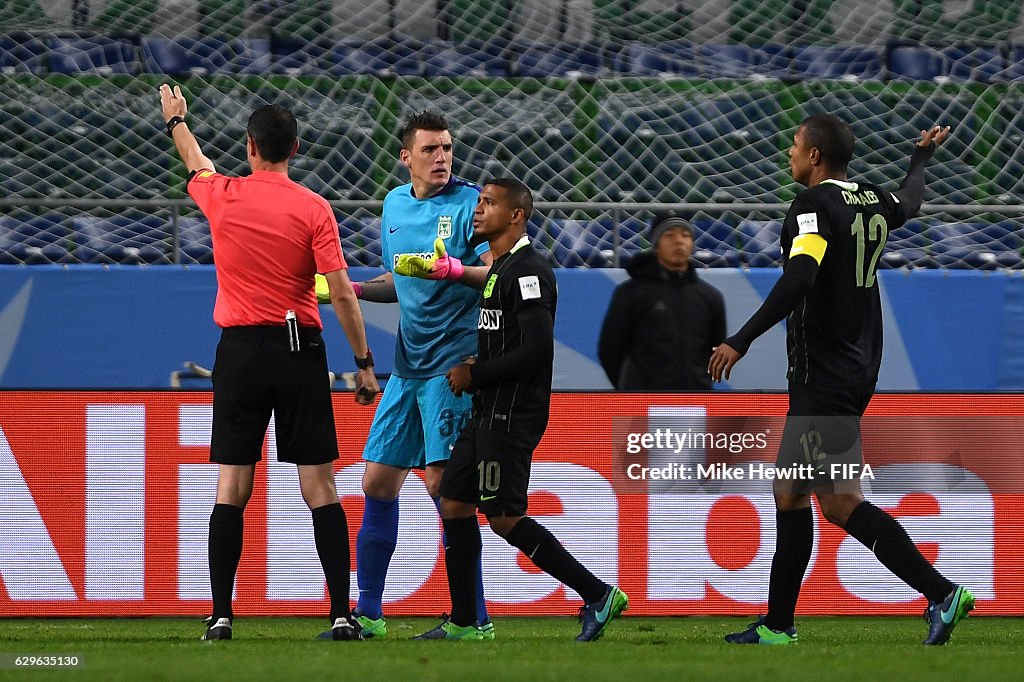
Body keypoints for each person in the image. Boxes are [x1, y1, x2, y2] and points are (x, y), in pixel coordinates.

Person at [708, 114, 972, 646]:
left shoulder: (812, 206)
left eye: (795, 144)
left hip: (823, 370)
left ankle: (934, 594)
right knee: (823, 497)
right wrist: (921, 159)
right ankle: (786, 622)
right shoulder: (871, 198)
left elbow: (800, 277)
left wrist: (742, 338)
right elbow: (911, 203)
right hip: (859, 365)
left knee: (811, 497)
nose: (788, 151)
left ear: (815, 158)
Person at [159, 84, 379, 642]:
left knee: (231, 486)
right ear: (296, 148)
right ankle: (340, 613)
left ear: (251, 147)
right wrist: (363, 361)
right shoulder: (314, 208)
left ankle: (221, 616)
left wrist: (177, 121)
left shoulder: (224, 194)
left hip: (239, 351)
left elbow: (195, 161)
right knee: (320, 487)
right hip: (299, 348)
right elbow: (343, 292)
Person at [410, 177, 627, 641]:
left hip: (510, 412)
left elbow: (537, 351)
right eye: (479, 202)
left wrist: (477, 374)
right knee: (453, 500)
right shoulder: (500, 270)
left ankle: (597, 593)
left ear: (516, 215)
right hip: (488, 409)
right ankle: (467, 620)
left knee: (505, 516)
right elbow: (511, 342)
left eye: (488, 203)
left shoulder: (528, 272)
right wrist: (480, 366)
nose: (478, 210)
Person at [317, 111, 494, 639]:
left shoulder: (470, 204)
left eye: (447, 148)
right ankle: (369, 613)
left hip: (453, 363)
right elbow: (398, 282)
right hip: (408, 364)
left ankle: (474, 616)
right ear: (405, 157)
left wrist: (454, 270)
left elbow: (499, 276)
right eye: (431, 150)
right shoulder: (394, 204)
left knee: (444, 486)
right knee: (376, 481)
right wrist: (346, 291)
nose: (442, 157)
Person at [598, 213, 726, 390]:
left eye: (685, 235)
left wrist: (700, 382)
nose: (679, 241)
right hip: (642, 402)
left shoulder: (710, 296)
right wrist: (630, 391)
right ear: (656, 245)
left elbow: (716, 350)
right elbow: (610, 350)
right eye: (669, 235)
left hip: (694, 402)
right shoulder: (630, 293)